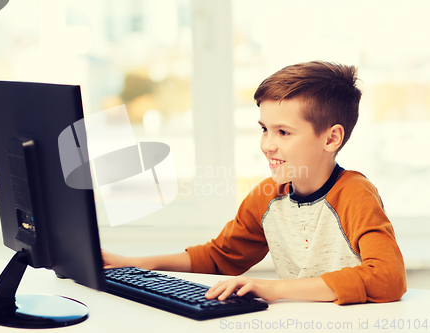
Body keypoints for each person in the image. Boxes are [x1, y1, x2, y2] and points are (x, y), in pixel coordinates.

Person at [103, 61, 407, 305]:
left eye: (283, 133)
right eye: (264, 129)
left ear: (331, 138)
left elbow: (388, 278)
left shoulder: (354, 193)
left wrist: (275, 289)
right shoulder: (267, 196)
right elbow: (218, 257)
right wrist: (133, 262)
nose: (267, 145)